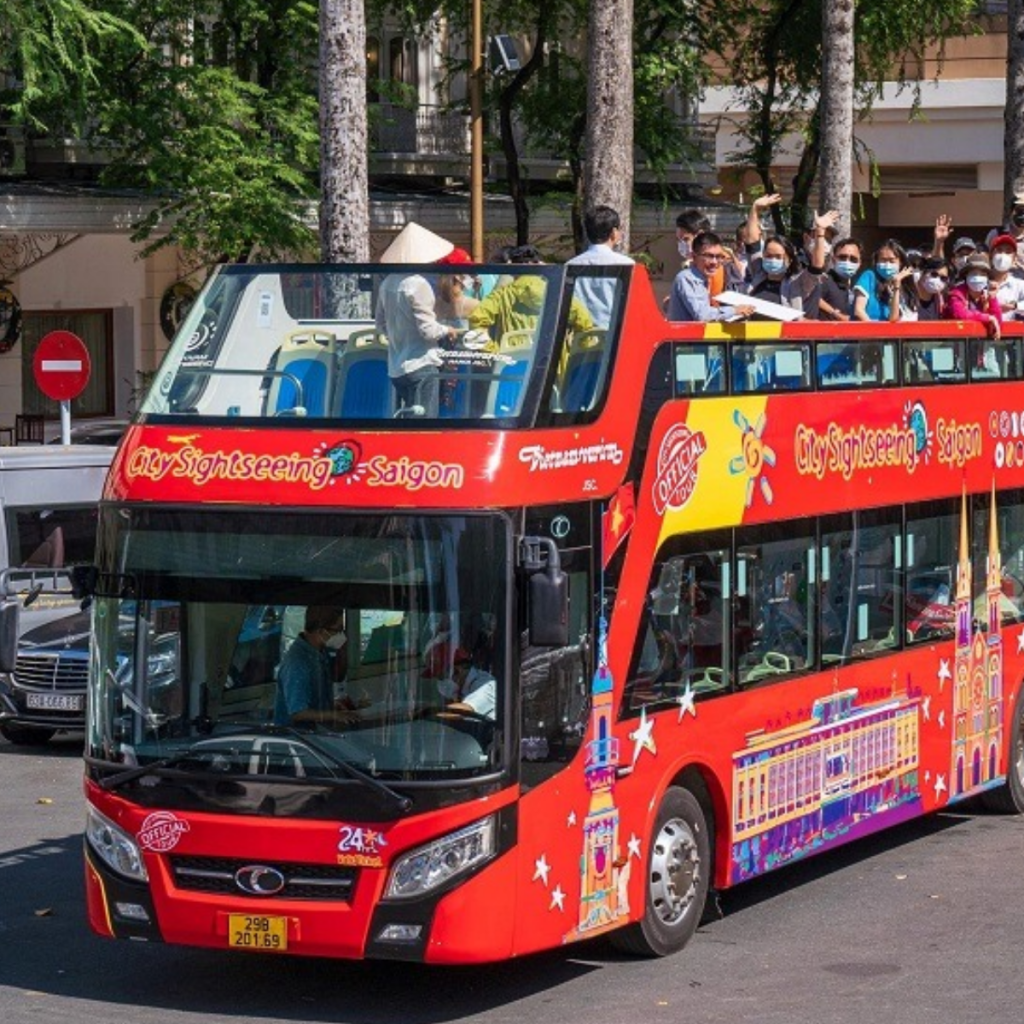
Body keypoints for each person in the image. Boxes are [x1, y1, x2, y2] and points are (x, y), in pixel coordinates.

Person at [375, 269, 460, 417]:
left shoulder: (387, 283)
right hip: (421, 363)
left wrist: (399, 335)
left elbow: (380, 324)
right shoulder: (418, 284)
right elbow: (428, 330)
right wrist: (447, 330)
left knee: (410, 422)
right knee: (424, 424)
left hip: (396, 367)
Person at [273, 606, 356, 727]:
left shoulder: (320, 652)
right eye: (338, 630)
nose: (341, 635)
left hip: (319, 731)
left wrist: (330, 706)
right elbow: (298, 712)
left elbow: (337, 677)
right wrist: (333, 715)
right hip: (297, 735)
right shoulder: (298, 663)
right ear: (321, 631)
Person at [567, 205, 634, 326]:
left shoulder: (570, 265)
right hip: (615, 333)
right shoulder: (627, 264)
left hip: (580, 332)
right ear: (614, 233)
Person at [667, 231, 755, 322]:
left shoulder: (703, 279)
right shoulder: (688, 278)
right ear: (694, 256)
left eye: (719, 257)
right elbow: (703, 315)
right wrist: (734, 310)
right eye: (708, 256)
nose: (714, 262)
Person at [853, 240, 916, 322]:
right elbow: (858, 311)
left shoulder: (901, 286)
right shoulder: (869, 276)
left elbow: (893, 318)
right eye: (883, 260)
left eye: (892, 261)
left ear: (901, 263)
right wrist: (874, 329)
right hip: (869, 328)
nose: (887, 264)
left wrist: (896, 286)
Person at [945, 252, 1002, 339]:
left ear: (987, 278)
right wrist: (988, 317)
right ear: (966, 276)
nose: (977, 277)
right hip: (955, 342)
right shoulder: (956, 294)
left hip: (979, 344)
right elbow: (960, 314)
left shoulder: (987, 296)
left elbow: (997, 325)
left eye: (982, 274)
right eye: (973, 273)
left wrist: (993, 299)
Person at [437, 647, 496, 719]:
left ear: (457, 670)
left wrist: (430, 714)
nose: (440, 682)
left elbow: (464, 710)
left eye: (441, 677)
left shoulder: (486, 685)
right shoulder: (462, 688)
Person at [817, 238, 864, 321]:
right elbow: (811, 298)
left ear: (859, 263)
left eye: (853, 259)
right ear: (833, 259)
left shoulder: (858, 286)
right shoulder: (824, 280)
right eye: (842, 257)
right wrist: (835, 313)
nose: (847, 261)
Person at [987, 233, 1024, 318]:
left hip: (1010, 326)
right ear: (991, 256)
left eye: (1008, 252)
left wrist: (1014, 306)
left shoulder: (1019, 285)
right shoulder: (979, 281)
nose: (1003, 255)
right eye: (999, 250)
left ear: (1014, 259)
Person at [913, 257, 951, 321]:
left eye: (943, 278)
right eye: (934, 274)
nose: (937, 280)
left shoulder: (940, 302)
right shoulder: (908, 299)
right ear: (922, 273)